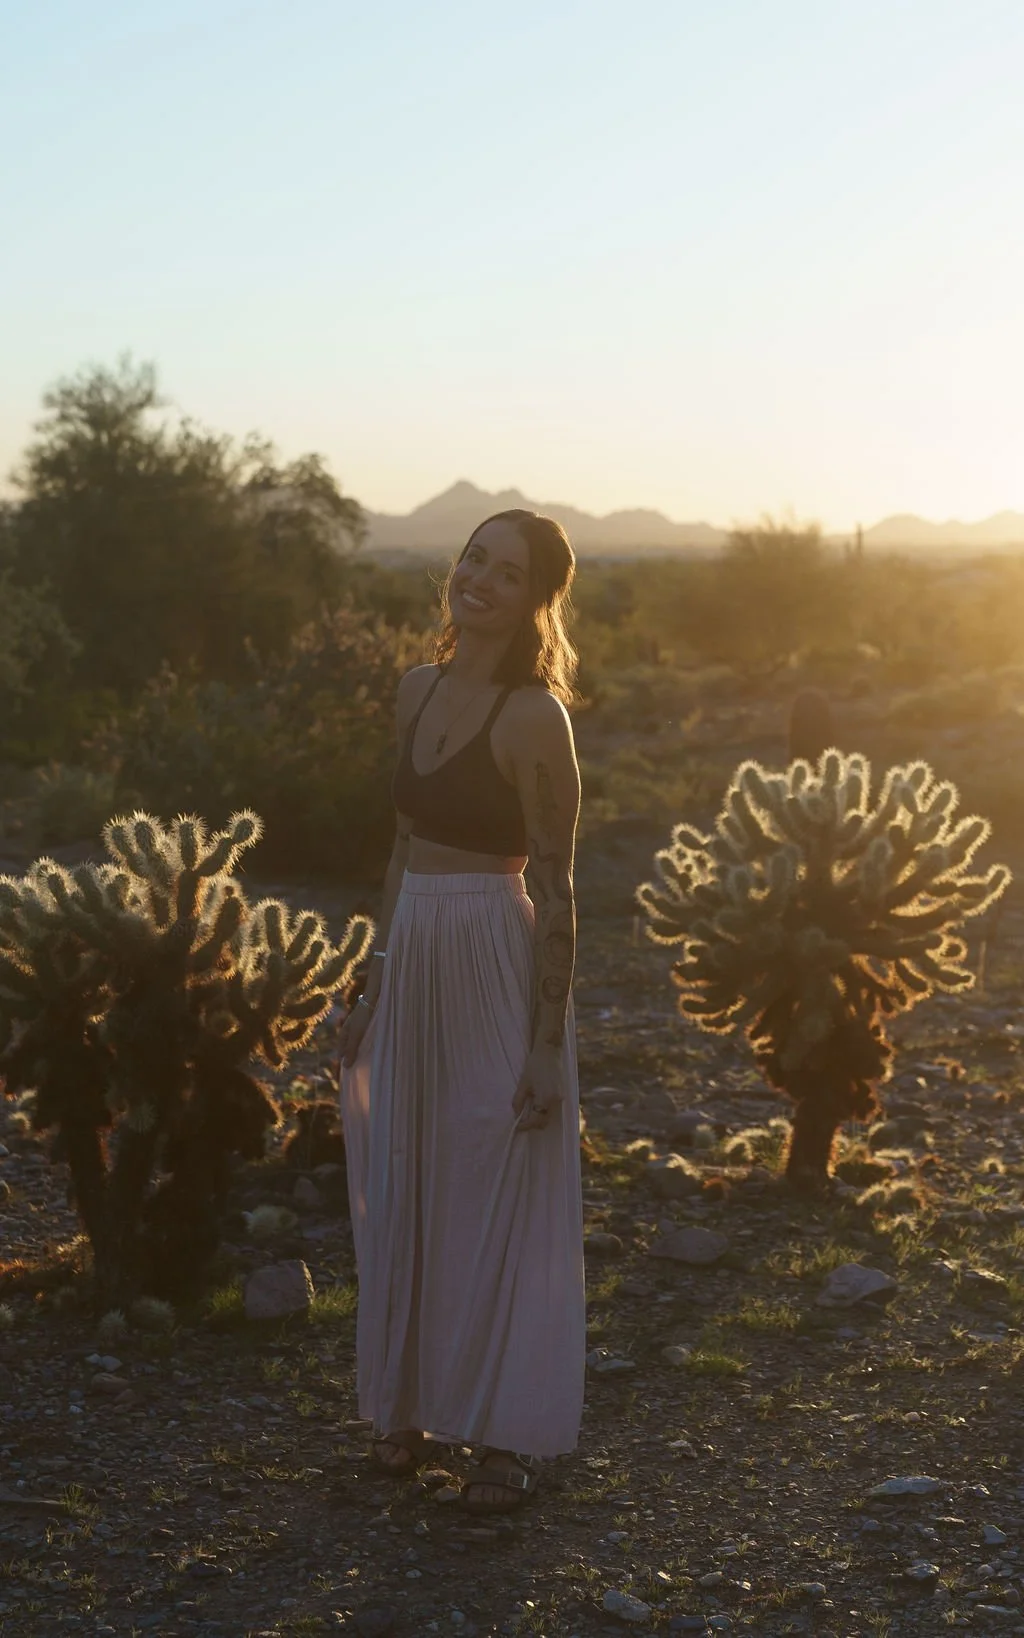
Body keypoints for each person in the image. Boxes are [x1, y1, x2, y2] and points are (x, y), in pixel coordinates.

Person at [338, 508, 585, 1515]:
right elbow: (399, 849)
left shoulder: (535, 719)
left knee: (496, 1179)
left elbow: (561, 890)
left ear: (536, 600)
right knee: (408, 1170)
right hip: (418, 950)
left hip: (493, 946)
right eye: (473, 557)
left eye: (507, 571)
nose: (478, 579)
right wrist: (376, 972)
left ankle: (503, 1436)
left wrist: (545, 1045)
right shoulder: (414, 691)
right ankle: (406, 1406)